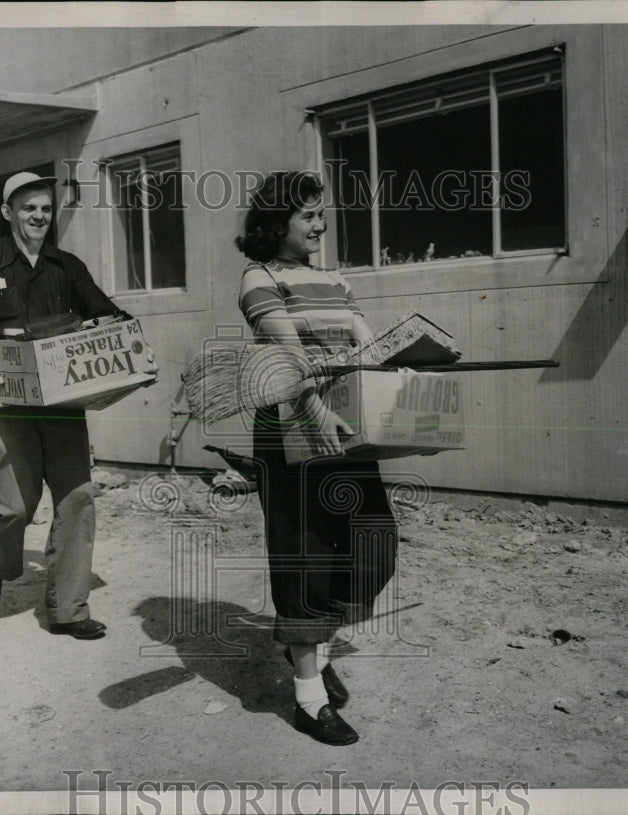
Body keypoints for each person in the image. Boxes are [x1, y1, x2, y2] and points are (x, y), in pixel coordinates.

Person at [0, 171, 156, 639]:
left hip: (59, 399)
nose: (38, 216)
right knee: (14, 507)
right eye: (28, 208)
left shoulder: (67, 266)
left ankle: (68, 610)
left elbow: (107, 316)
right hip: (3, 395)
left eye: (44, 208)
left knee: (78, 497)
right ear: (7, 213)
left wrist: (128, 348)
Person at [236, 171, 398, 744]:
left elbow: (369, 343)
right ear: (276, 221)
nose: (320, 224)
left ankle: (315, 641)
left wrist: (406, 365)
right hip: (293, 425)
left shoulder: (334, 278)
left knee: (374, 543)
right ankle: (308, 696)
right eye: (308, 215)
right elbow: (288, 352)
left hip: (346, 423)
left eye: (321, 213)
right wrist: (314, 408)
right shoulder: (258, 278)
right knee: (304, 553)